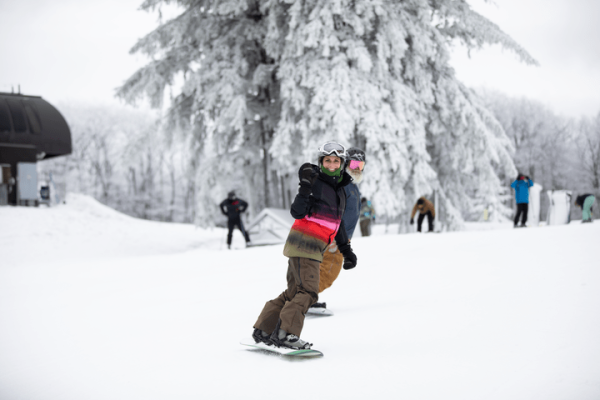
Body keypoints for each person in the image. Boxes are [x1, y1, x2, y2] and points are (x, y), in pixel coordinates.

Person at [252, 141, 357, 349]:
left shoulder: (340, 190)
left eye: (336, 161)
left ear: (342, 164)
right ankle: (286, 334)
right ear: (322, 162)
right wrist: (305, 186)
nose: (332, 165)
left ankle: (264, 329)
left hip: (310, 247)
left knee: (293, 293)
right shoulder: (315, 181)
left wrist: (347, 251)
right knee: (309, 292)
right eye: (328, 161)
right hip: (305, 245)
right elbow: (297, 211)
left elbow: (338, 224)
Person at [311, 147, 365, 312]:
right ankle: (303, 299)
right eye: (353, 164)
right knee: (329, 270)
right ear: (345, 163)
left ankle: (306, 298)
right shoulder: (342, 184)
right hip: (333, 237)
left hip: (339, 237)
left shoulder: (352, 185)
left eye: (360, 165)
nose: (356, 168)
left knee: (322, 269)